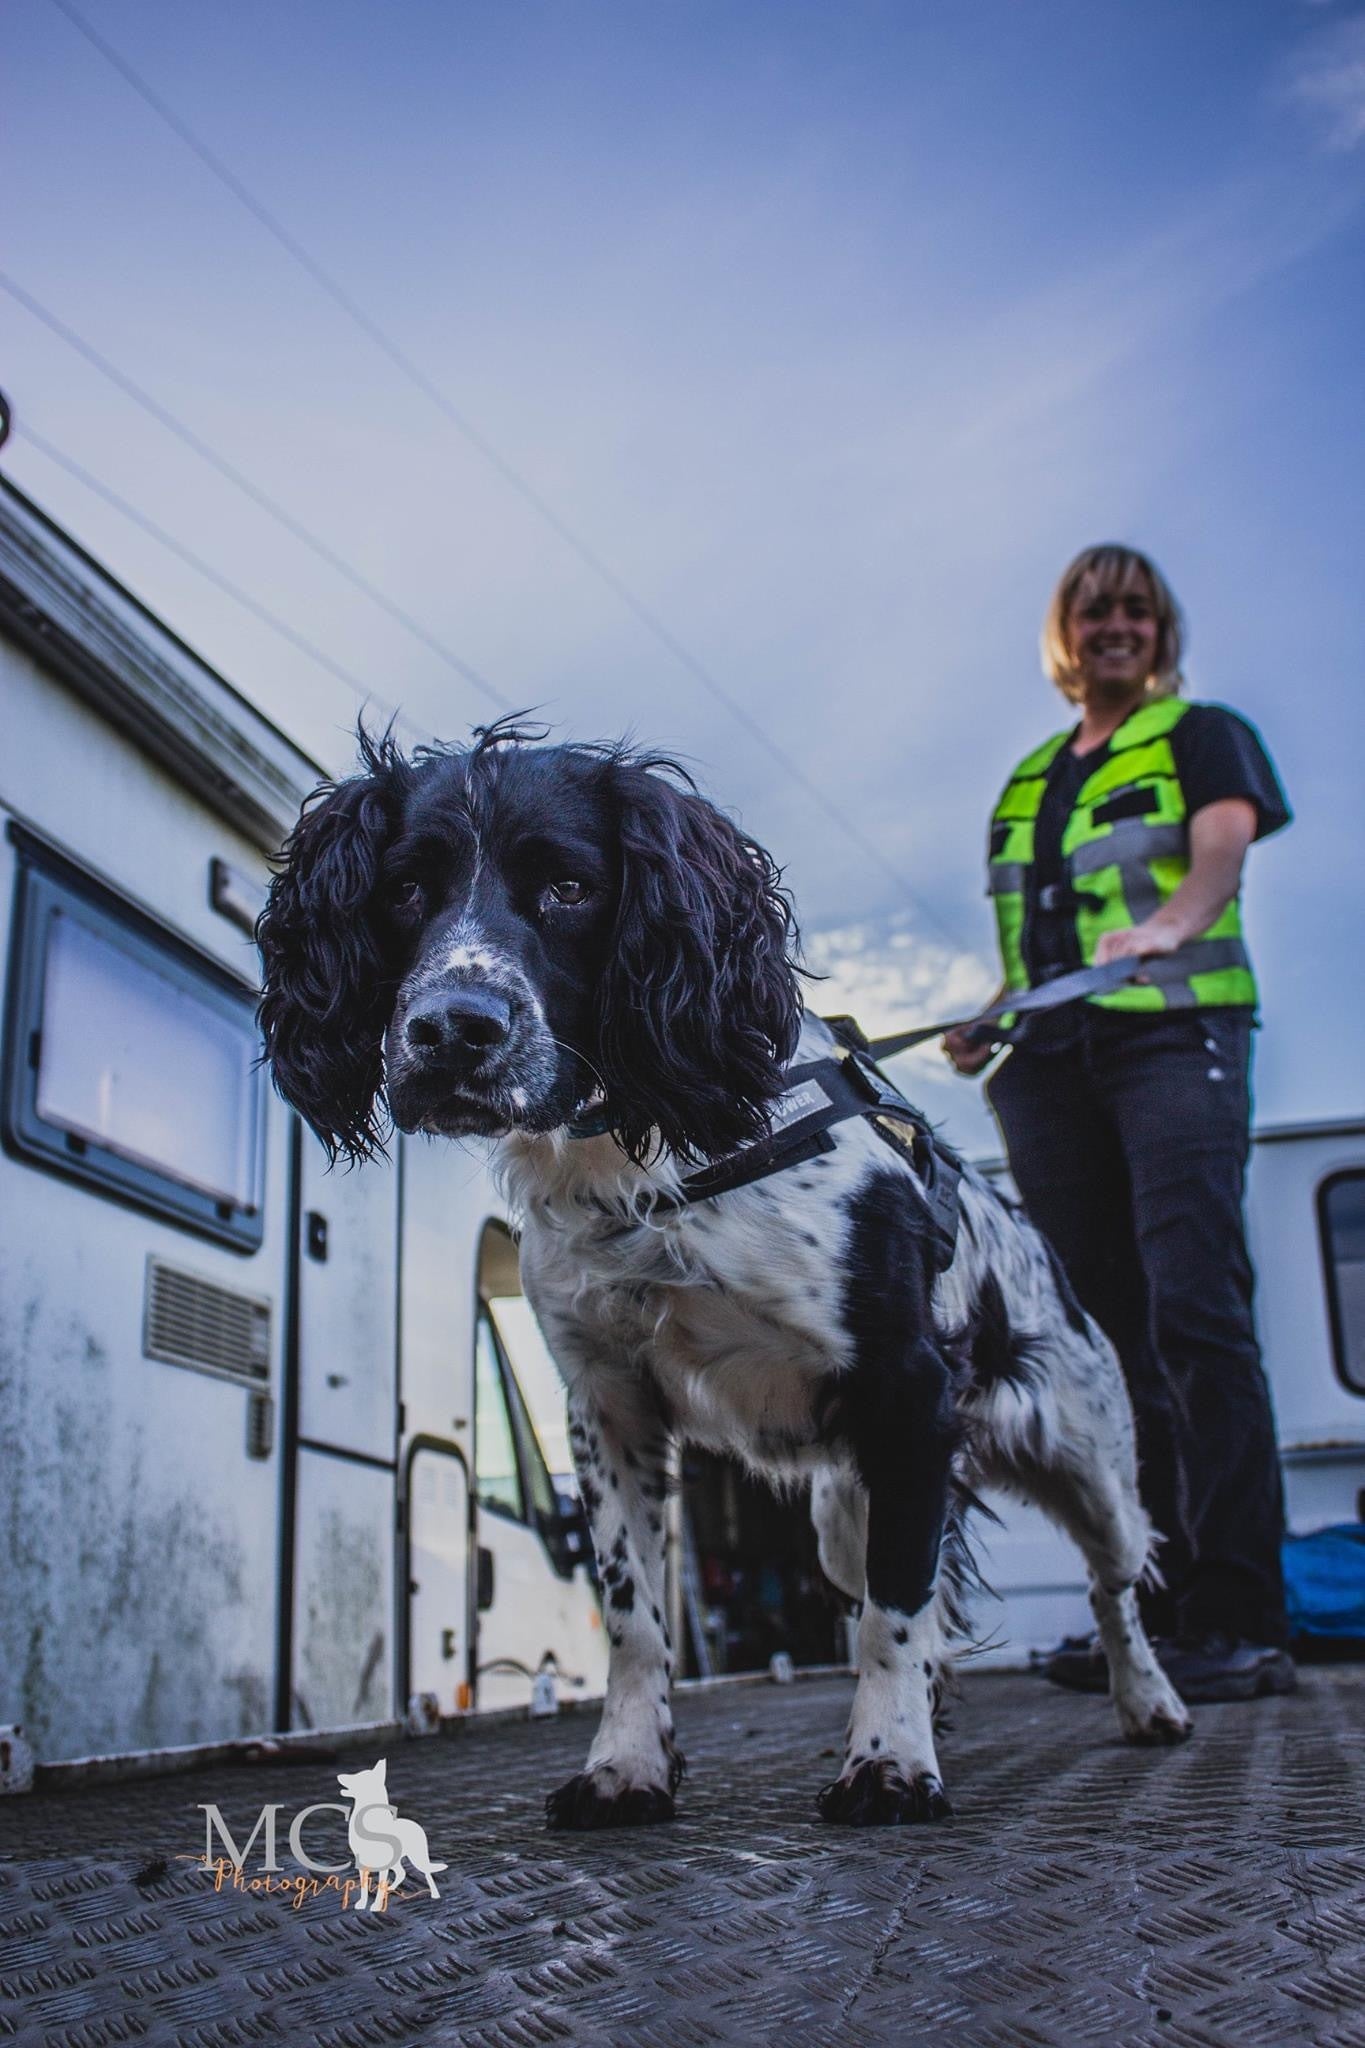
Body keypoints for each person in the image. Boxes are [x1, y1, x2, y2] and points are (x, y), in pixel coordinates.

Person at [945, 543, 1295, 1703]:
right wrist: (990, 1016)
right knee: (1103, 1334)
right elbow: (1036, 944)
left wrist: (1169, 926)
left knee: (1196, 1305)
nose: (1117, 625)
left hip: (1170, 1032)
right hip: (1049, 1060)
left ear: (1161, 629)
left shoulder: (1201, 735)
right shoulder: (1034, 776)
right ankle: (1149, 1612)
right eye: (1095, 609)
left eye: (1137, 609)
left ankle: (1240, 1615)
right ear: (1065, 632)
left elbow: (1221, 853)